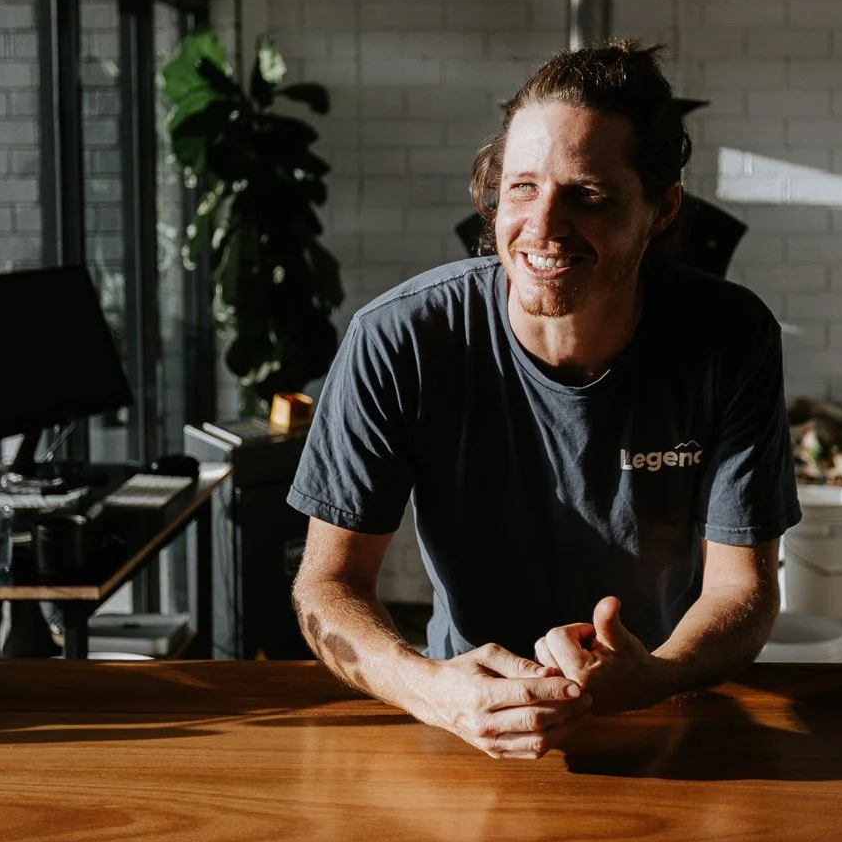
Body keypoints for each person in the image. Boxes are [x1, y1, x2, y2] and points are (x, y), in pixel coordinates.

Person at [289, 40, 798, 759]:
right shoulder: (399, 339)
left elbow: (743, 588)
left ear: (661, 210)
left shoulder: (730, 337)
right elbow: (326, 588)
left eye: (587, 194)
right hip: (462, 725)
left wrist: (656, 674)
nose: (543, 226)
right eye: (522, 188)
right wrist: (431, 689)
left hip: (663, 716)